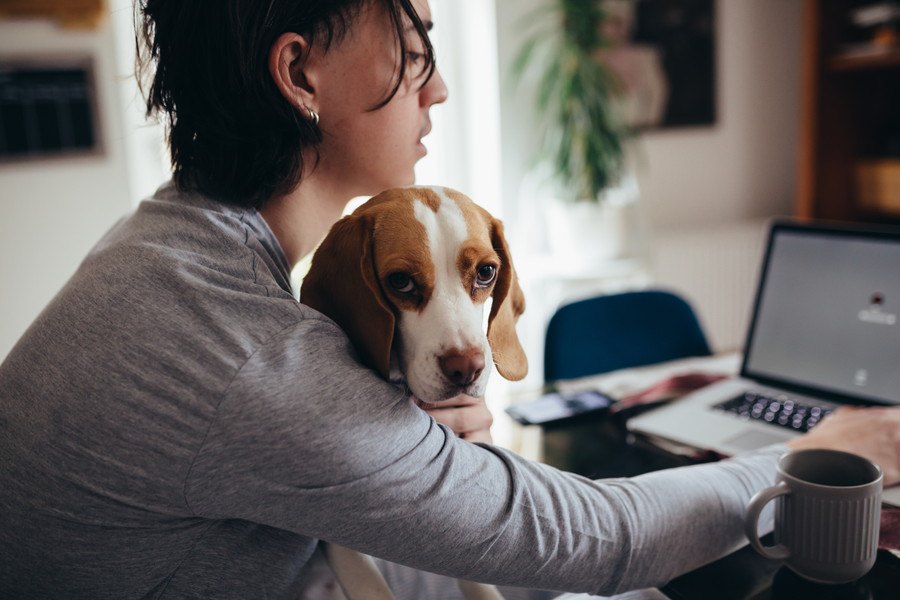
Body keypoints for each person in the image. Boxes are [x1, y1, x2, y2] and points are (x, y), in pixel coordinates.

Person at [1, 0, 899, 598]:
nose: (438, 86)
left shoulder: (164, 246)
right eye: (416, 46)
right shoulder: (251, 358)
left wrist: (403, 444)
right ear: (299, 74)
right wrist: (806, 457)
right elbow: (594, 539)